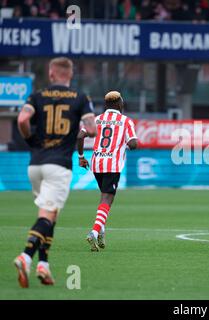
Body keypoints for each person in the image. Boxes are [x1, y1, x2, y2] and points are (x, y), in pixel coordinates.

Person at [14, 57, 96, 288]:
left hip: (35, 164)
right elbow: (91, 129)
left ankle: (44, 265)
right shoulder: (80, 98)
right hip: (58, 165)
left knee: (51, 214)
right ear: (69, 75)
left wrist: (31, 139)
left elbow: (22, 119)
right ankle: (26, 256)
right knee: (46, 217)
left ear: (51, 74)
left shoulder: (37, 96)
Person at [78, 91, 138, 252]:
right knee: (107, 199)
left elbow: (80, 136)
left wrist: (81, 157)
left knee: (104, 198)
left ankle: (101, 231)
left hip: (97, 164)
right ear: (120, 104)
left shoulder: (96, 120)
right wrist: (126, 145)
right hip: (112, 164)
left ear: (106, 105)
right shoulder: (125, 121)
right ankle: (94, 231)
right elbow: (133, 144)